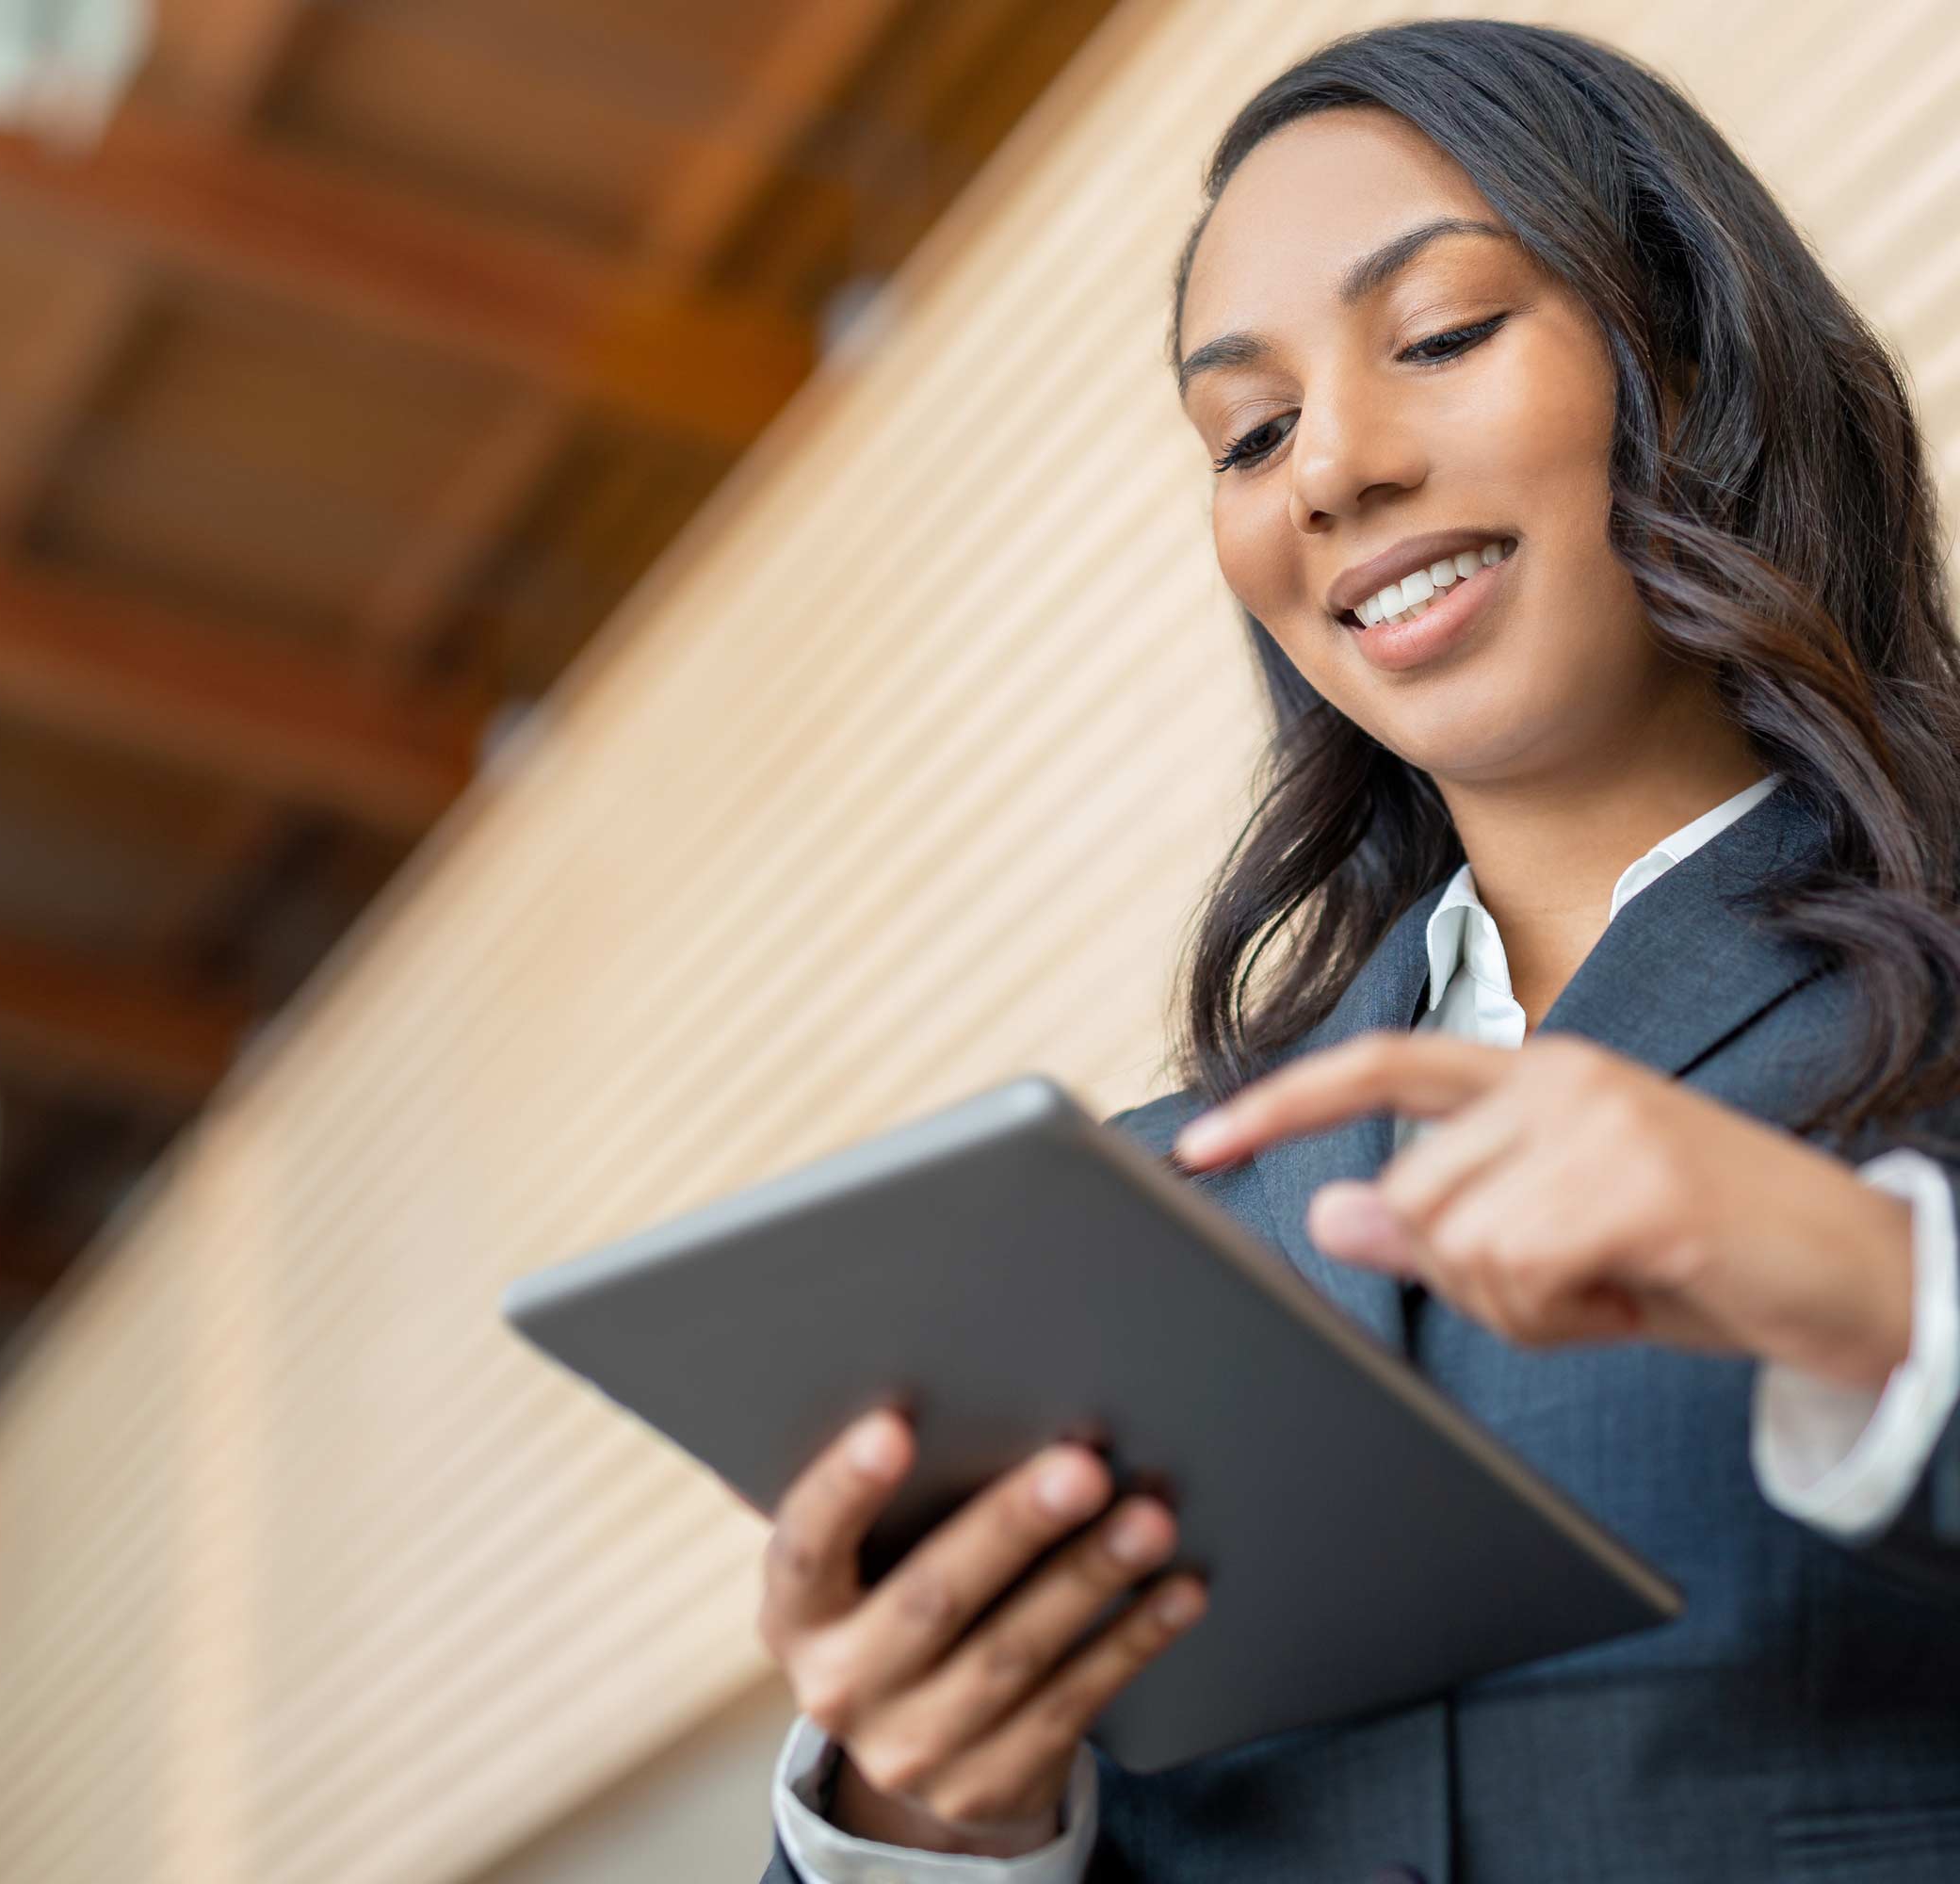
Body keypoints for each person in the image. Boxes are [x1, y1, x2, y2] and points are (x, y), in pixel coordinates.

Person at [752, 20, 1960, 1882]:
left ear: (1697, 359)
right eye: (1248, 429)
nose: (1329, 468)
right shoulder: (1146, 1216)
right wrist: (928, 1818)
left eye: (1443, 335)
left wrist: (1876, 1291)